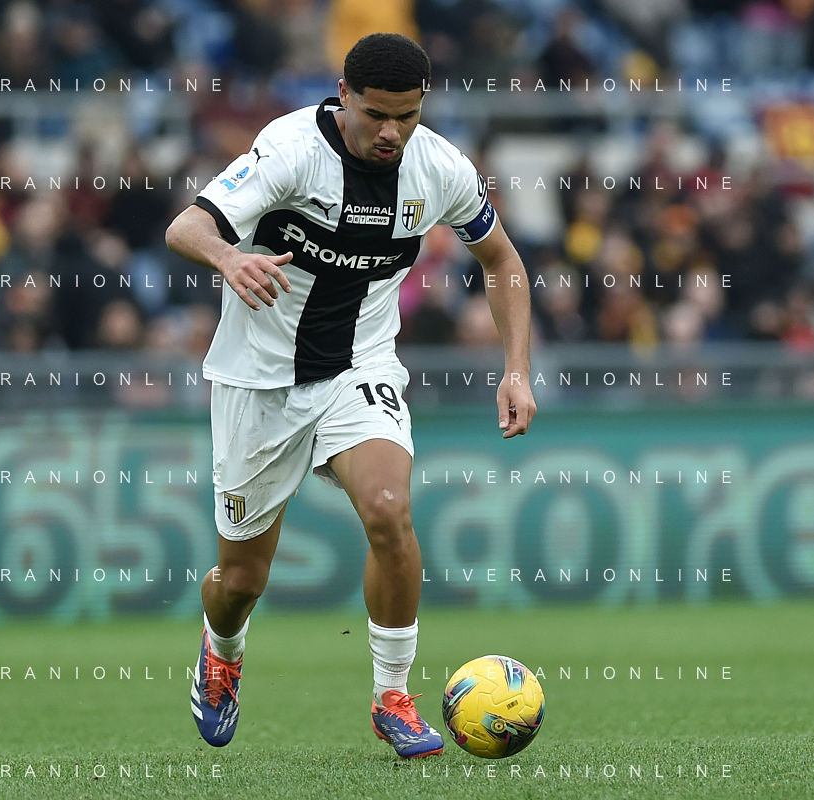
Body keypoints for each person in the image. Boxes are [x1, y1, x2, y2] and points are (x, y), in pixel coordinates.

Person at [164, 33, 536, 759]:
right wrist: (229, 257)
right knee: (239, 581)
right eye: (376, 115)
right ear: (343, 96)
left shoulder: (440, 169)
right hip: (258, 381)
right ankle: (221, 652)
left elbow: (501, 259)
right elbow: (188, 225)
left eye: (408, 115)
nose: (392, 132)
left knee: (390, 510)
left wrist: (516, 369)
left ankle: (392, 696)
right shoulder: (290, 149)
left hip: (358, 369)